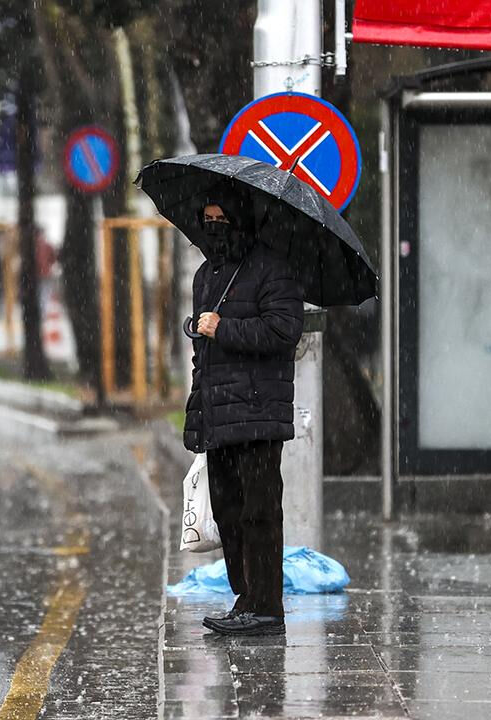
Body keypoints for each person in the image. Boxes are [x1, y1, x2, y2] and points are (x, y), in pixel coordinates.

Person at [183, 197, 305, 636]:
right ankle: (245, 597)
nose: (214, 227)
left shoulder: (272, 268)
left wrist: (224, 327)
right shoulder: (206, 275)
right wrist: (197, 411)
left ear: (242, 221)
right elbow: (204, 356)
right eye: (207, 219)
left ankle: (267, 607)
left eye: (223, 219)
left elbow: (284, 329)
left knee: (260, 512)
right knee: (229, 513)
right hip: (219, 416)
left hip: (257, 414)